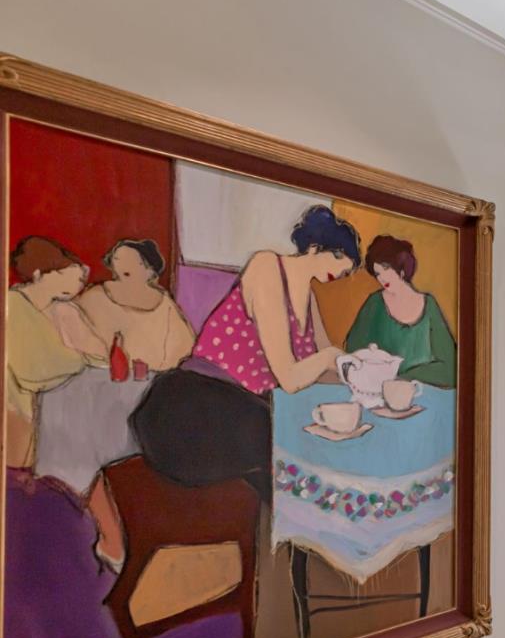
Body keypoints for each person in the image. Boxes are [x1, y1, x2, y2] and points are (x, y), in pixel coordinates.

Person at [125, 205, 359, 506]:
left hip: (245, 412)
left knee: (307, 450)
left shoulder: (310, 299)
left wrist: (357, 379)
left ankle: (315, 534)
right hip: (193, 406)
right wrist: (330, 358)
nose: (342, 271)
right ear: (315, 246)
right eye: (340, 258)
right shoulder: (266, 268)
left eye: (348, 269)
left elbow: (320, 371)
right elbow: (290, 377)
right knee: (293, 444)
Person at [6, 237, 89, 468]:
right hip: (17, 415)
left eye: (80, 278)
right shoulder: (13, 305)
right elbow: (33, 371)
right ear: (38, 273)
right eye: (64, 275)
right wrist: (77, 360)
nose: (77, 284)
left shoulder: (60, 309)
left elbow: (94, 352)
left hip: (45, 410)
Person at [343, 235, 457, 387]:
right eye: (377, 273)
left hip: (423, 393)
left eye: (386, 269)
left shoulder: (429, 306)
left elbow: (450, 370)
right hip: (379, 392)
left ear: (402, 267)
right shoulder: (374, 304)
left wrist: (404, 378)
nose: (382, 278)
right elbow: (352, 351)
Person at [77, 238, 195, 372]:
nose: (124, 266)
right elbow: (78, 336)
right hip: (102, 373)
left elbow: (183, 344)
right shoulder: (95, 296)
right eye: (117, 259)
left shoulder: (164, 302)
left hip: (152, 375)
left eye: (133, 261)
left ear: (149, 269)